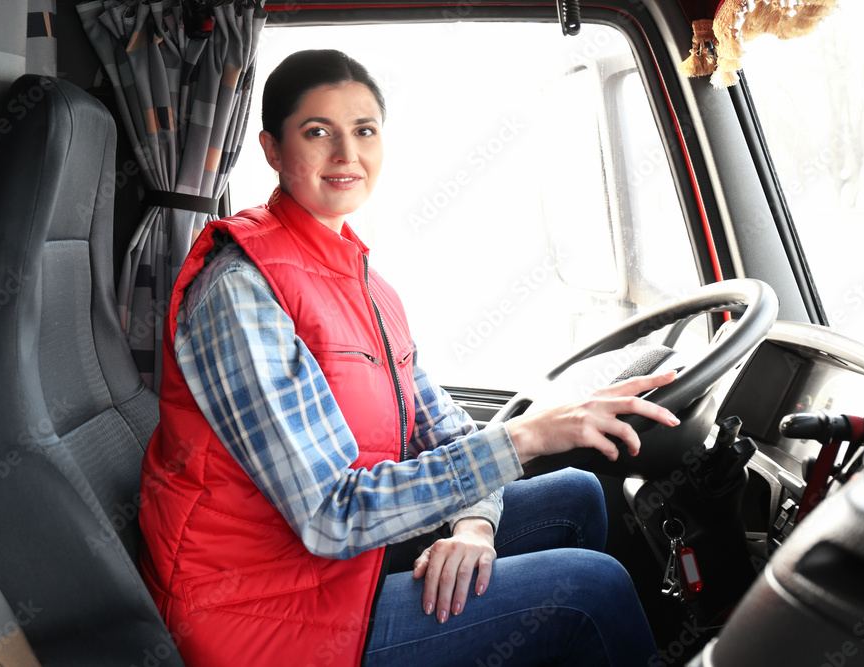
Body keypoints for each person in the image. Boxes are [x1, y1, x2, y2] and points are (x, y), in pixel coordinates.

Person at [137, 49, 680, 667]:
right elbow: (330, 515)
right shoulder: (239, 289)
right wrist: (527, 438)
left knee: (581, 493)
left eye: (364, 130)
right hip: (262, 613)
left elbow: (445, 432)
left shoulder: (363, 282)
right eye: (318, 132)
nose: (347, 154)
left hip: (335, 571)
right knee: (592, 591)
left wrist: (473, 525)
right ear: (271, 149)